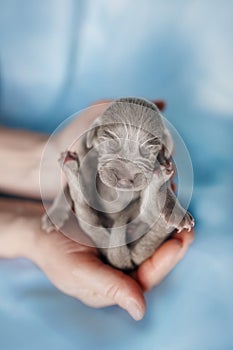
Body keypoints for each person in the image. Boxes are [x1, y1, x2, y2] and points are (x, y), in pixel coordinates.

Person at [0, 100, 194, 321]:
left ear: (163, 147)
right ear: (93, 134)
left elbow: (162, 191)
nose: (125, 174)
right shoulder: (89, 155)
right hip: (102, 226)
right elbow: (73, 193)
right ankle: (78, 179)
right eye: (111, 144)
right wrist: (58, 209)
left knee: (151, 211)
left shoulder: (158, 158)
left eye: (146, 150)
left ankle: (161, 210)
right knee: (88, 210)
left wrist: (168, 201)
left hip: (134, 230)